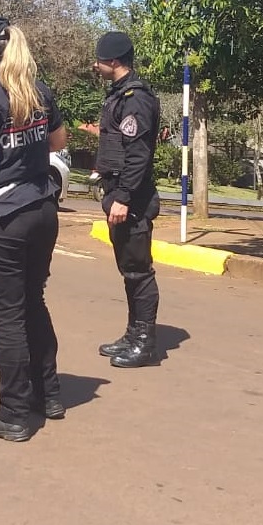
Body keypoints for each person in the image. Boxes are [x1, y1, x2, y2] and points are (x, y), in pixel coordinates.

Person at [0, 15, 68, 442]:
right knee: (33, 303)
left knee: (7, 317)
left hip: (2, 218)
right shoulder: (37, 90)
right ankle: (48, 394)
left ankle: (14, 413)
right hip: (41, 210)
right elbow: (58, 141)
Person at [92, 31, 162, 368]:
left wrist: (123, 197)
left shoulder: (136, 99)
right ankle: (132, 335)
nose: (95, 65)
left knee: (138, 271)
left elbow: (138, 155)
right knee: (128, 270)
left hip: (131, 198)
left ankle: (144, 344)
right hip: (119, 192)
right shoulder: (120, 94)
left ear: (114, 61)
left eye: (99, 60)